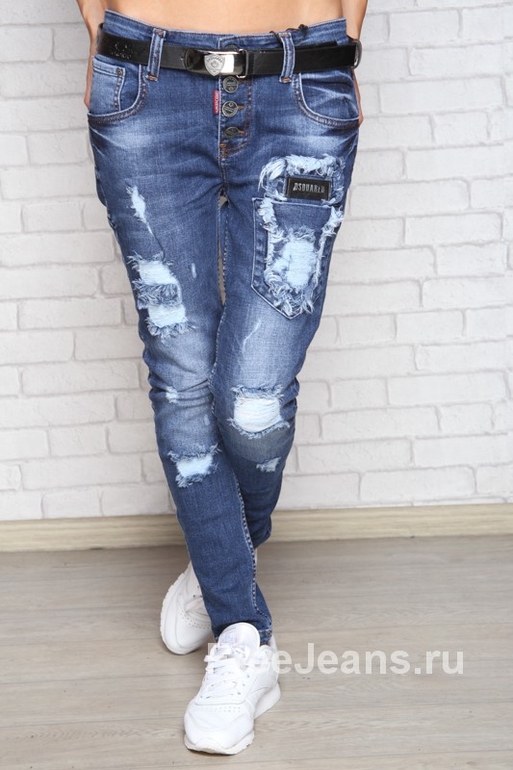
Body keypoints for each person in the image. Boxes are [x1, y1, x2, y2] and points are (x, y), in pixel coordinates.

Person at [76, 0, 367, 755]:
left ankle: (220, 555)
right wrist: (103, 38)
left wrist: (345, 43)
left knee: (253, 399)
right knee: (180, 374)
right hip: (147, 83)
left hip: (301, 83)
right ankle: (242, 630)